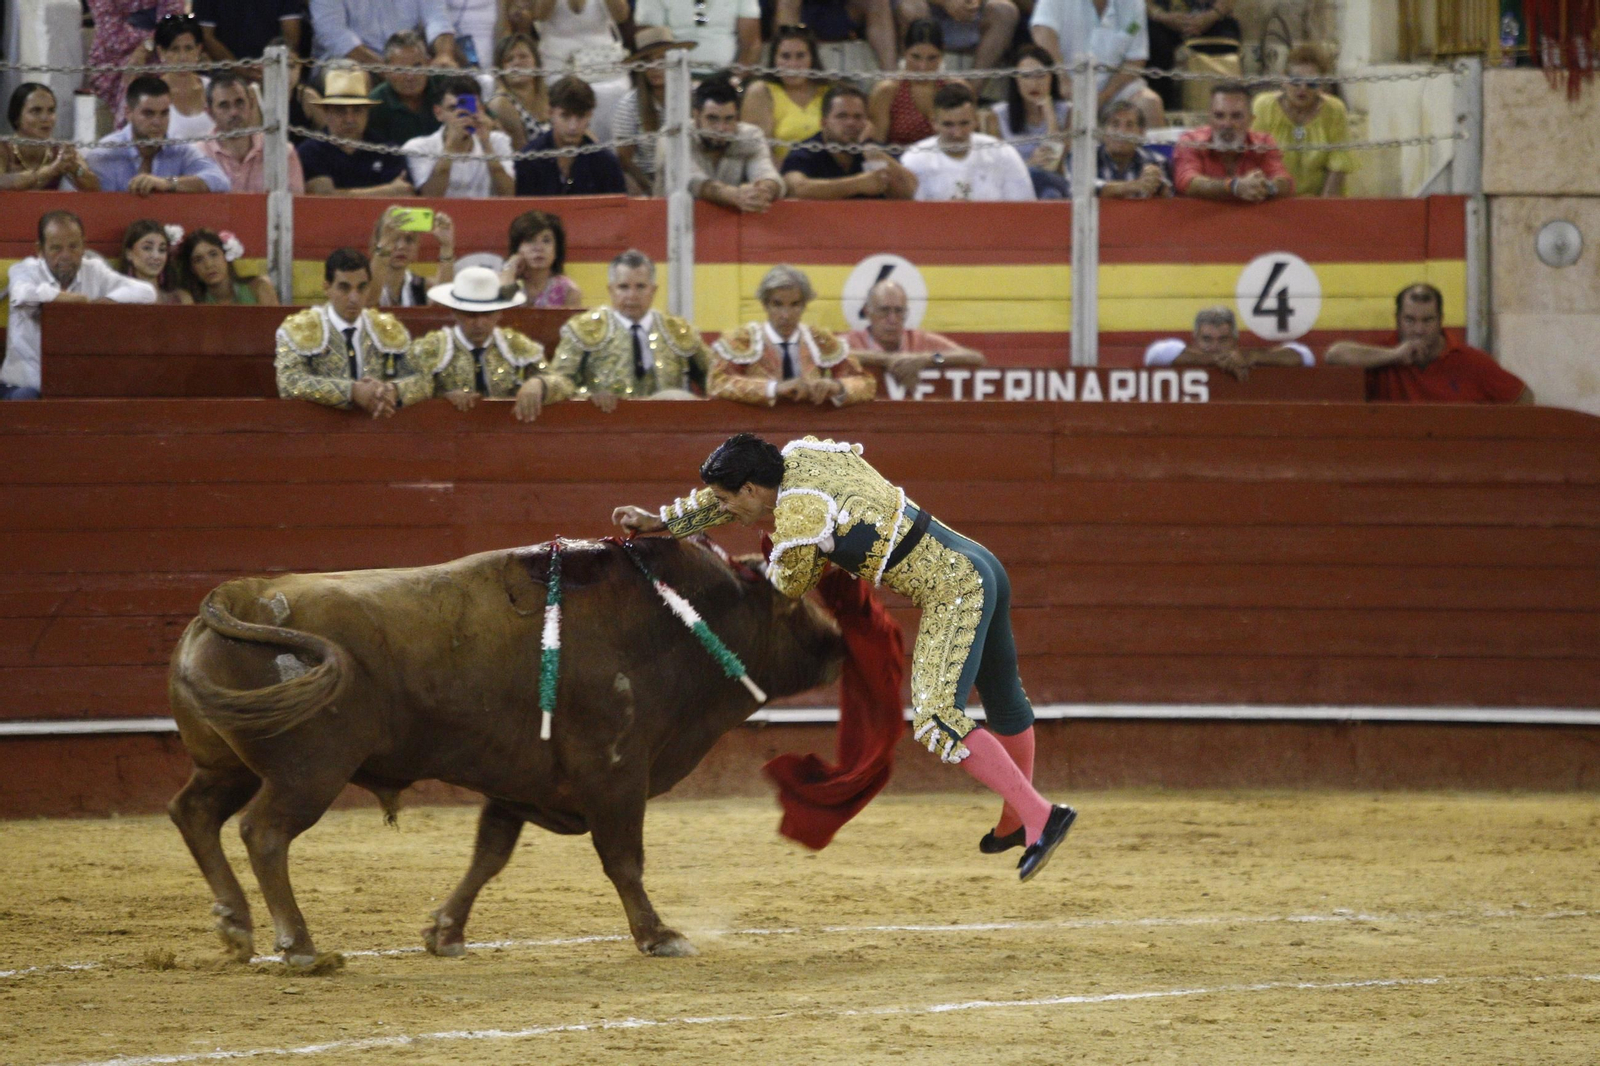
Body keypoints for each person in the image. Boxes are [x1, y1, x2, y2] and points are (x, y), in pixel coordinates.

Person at [612, 433, 1079, 881]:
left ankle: (1042, 817)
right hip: (982, 563)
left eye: (728, 498)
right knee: (1002, 695)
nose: (727, 508)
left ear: (752, 487)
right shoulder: (804, 455)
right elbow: (768, 518)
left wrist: (760, 563)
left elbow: (787, 588)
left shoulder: (798, 516)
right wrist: (667, 522)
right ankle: (1016, 821)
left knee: (937, 719)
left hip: (955, 590)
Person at [522, 249, 712, 419]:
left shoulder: (678, 330)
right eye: (623, 287)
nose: (631, 295)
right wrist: (544, 385)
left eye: (640, 287)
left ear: (653, 290)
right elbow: (562, 380)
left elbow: (713, 378)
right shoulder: (585, 328)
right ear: (611, 290)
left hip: (670, 432)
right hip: (604, 429)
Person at [3, 210, 157, 399]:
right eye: (56, 248)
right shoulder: (24, 270)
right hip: (24, 386)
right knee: (25, 397)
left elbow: (146, 292)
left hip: (74, 387)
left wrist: (103, 303)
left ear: (84, 246)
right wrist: (73, 301)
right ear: (40, 250)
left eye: (74, 246)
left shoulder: (94, 270)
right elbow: (22, 293)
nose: (66, 255)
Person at [275, 248, 432, 417]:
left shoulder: (388, 328)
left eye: (361, 288)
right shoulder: (299, 328)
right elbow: (288, 382)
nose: (354, 298)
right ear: (327, 287)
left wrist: (393, 390)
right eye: (344, 288)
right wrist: (351, 392)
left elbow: (424, 380)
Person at [1325, 284, 1534, 404]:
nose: (1418, 329)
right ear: (1397, 319)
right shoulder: (1381, 354)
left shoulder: (1470, 361)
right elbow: (1334, 355)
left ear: (1440, 320)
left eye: (1427, 320)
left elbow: (1524, 398)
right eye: (1410, 320)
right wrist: (1395, 356)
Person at [710, 265, 876, 407]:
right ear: (765, 304)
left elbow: (866, 384)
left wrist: (837, 386)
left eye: (795, 305)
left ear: (804, 305)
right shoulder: (742, 340)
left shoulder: (820, 340)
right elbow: (716, 383)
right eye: (777, 304)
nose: (786, 315)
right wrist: (773, 388)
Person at [409, 267, 549, 420]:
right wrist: (440, 396)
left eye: (487, 314)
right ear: (454, 312)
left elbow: (562, 382)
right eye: (471, 315)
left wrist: (539, 383)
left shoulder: (517, 345)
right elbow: (403, 387)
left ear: (499, 313)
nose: (479, 323)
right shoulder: (431, 347)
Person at [78, 76, 231, 194]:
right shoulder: (105, 154)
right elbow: (104, 210)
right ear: (128, 113)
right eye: (148, 114)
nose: (157, 122)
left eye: (164, 113)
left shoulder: (180, 149)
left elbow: (220, 181)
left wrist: (167, 183)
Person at [1030, 0, 1165, 128]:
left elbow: (1136, 59)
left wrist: (1103, 97)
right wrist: (1063, 80)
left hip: (1114, 89)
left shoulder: (1134, 3)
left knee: (1150, 104)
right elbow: (1042, 31)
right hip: (1064, 88)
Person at [660, 78, 785, 212]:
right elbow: (691, 181)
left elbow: (768, 175)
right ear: (696, 116)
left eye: (729, 119)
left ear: (737, 117)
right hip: (671, 221)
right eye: (712, 119)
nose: (721, 128)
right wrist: (734, 195)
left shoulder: (750, 135)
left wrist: (763, 190)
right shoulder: (674, 135)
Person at [781, 85, 919, 200]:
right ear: (823, 122)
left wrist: (870, 149)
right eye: (842, 116)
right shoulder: (806, 150)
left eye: (858, 117)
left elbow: (910, 193)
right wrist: (858, 184)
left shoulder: (874, 150)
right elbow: (797, 188)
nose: (851, 123)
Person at [902, 84, 1036, 202]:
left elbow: (1024, 210)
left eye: (964, 123)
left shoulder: (1003, 153)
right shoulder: (914, 160)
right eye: (948, 125)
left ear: (976, 120)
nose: (957, 133)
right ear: (934, 123)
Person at [1251, 44, 1352, 198]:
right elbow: (1254, 159)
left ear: (1322, 84)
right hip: (1273, 199)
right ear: (1284, 79)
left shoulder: (1334, 110)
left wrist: (1323, 210)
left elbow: (1338, 165)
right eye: (1296, 81)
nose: (1303, 88)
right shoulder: (1264, 106)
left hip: (1319, 200)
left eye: (1311, 83)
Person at [296, 67, 415, 196]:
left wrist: (342, 193)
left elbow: (405, 193)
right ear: (326, 112)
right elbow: (325, 199)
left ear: (367, 113)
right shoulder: (311, 151)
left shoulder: (387, 151)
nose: (349, 119)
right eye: (340, 111)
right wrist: (388, 190)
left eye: (357, 110)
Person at [843, 278, 984, 387]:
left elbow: (973, 358)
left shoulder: (920, 341)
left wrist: (927, 359)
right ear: (868, 312)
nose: (892, 319)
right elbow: (827, 357)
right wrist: (887, 360)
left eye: (899, 311)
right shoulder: (853, 341)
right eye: (884, 310)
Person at [1172, 81, 1292, 201]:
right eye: (1219, 116)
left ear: (1251, 120)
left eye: (1236, 116)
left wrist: (1266, 187)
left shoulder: (1264, 143)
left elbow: (1285, 182)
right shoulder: (1190, 141)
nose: (1227, 124)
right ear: (1209, 118)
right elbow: (1187, 183)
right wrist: (1233, 186)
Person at [402, 76, 516, 198]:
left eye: (470, 108)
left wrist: (486, 145)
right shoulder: (418, 148)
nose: (462, 116)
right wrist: (450, 147)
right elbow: (430, 197)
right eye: (453, 109)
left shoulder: (497, 141)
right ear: (438, 113)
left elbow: (508, 194)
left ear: (481, 109)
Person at [513, 75, 628, 196]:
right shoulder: (529, 159)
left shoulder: (606, 163)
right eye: (565, 116)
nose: (573, 126)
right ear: (550, 113)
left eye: (580, 116)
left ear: (589, 116)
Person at [611, 28, 693, 193]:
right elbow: (625, 160)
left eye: (662, 60)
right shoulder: (629, 104)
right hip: (648, 179)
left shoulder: (693, 96)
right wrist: (651, 188)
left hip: (691, 174)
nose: (654, 67)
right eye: (648, 61)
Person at [200, 71, 307, 193]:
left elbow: (295, 207)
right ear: (209, 112)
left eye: (239, 102)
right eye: (224, 105)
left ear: (251, 103)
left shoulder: (282, 153)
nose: (234, 112)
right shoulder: (198, 154)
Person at [1143, 306, 1310, 381]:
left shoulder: (1245, 357)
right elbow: (1154, 354)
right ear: (1195, 340)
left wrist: (1252, 356)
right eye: (1207, 339)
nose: (1215, 347)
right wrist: (1216, 360)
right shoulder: (1183, 353)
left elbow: (1305, 355)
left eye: (1223, 340)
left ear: (1235, 340)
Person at [741, 26, 829, 164]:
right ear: (774, 59)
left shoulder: (831, 91)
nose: (792, 64)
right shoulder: (761, 92)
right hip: (781, 175)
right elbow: (758, 153)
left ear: (812, 59)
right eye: (785, 56)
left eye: (800, 56)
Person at [84, 0, 186, 114]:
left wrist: (146, 46)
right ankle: (131, 127)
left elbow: (173, 23)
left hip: (164, 50)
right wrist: (151, 37)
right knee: (132, 72)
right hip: (113, 58)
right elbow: (111, 33)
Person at [984, 45, 1071, 176]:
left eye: (1041, 76)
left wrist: (1050, 115)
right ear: (1015, 80)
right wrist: (1030, 164)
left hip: (1053, 184)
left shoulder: (1067, 112)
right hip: (1015, 186)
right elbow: (997, 170)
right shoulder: (996, 115)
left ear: (1051, 78)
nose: (1034, 84)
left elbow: (1054, 165)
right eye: (1026, 76)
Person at [1145, 0, 1241, 114]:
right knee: (1154, 44)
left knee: (1222, 46)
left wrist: (1211, 16)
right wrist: (1162, 16)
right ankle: (1162, 113)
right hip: (1163, 20)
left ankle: (1219, 113)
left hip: (1214, 19)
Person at [867, 19, 950, 149]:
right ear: (904, 51)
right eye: (916, 57)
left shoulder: (954, 88)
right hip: (897, 165)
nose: (923, 67)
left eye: (932, 58)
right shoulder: (887, 91)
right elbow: (877, 149)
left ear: (942, 54)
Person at [0, 84, 99, 191]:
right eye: (36, 111)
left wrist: (76, 169)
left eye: (51, 110)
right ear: (16, 116)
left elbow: (93, 189)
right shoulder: (4, 148)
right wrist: (51, 170)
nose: (45, 118)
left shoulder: (61, 151)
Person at [132, 13, 214, 141]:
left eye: (188, 48)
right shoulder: (150, 96)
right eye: (175, 49)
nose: (183, 57)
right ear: (161, 52)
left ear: (198, 49)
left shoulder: (213, 89)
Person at [1072, 99, 1170, 198]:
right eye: (1115, 124)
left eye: (1129, 125)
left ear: (1141, 133)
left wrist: (1157, 183)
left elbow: (1169, 196)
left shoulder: (1156, 161)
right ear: (1102, 132)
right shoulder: (1083, 158)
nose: (1122, 132)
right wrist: (1135, 186)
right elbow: (1079, 189)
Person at [310, 0, 458, 65]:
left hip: (409, 59)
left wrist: (444, 55)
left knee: (449, 69)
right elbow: (332, 33)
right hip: (354, 60)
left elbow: (437, 18)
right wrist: (382, 68)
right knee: (349, 76)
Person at [896, 0, 1021, 77]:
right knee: (911, 6)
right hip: (925, 14)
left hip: (970, 18)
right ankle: (908, 89)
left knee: (1005, 11)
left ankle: (969, 95)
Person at [363, 31, 445, 148]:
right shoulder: (375, 105)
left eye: (417, 66)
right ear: (386, 70)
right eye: (400, 69)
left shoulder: (448, 87)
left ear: (428, 63)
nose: (410, 76)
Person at [633, 0, 762, 70]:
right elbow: (650, 43)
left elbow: (751, 45)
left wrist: (736, 82)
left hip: (726, 77)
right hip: (672, 76)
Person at [369, 206, 457, 308]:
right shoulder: (361, 283)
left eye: (409, 240)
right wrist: (384, 246)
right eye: (394, 239)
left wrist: (447, 247)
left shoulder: (422, 286)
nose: (401, 246)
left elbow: (442, 306)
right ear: (377, 242)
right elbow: (369, 301)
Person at [775, 0, 899, 70]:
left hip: (841, 11)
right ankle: (788, 63)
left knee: (879, 2)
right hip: (804, 12)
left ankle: (890, 75)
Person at [499, 210, 584, 309]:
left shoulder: (568, 291)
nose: (539, 248)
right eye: (530, 240)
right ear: (517, 248)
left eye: (546, 241)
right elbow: (500, 310)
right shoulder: (507, 281)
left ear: (556, 249)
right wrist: (511, 265)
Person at [178, 229, 279, 306]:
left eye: (214, 254)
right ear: (192, 269)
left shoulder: (258, 287)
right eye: (198, 260)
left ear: (227, 255)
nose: (208, 265)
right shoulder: (191, 301)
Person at [486, 33, 550, 152]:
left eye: (523, 56)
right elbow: (522, 155)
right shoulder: (501, 103)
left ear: (536, 61)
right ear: (500, 69)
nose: (517, 63)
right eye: (509, 59)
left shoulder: (550, 94)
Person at [194, 0, 303, 67]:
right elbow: (206, 36)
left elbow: (290, 38)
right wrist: (239, 69)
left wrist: (270, 67)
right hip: (224, 71)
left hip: (273, 67)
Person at [117, 219, 193, 305]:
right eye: (147, 248)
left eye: (162, 250)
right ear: (129, 254)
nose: (156, 256)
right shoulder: (114, 300)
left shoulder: (182, 299)